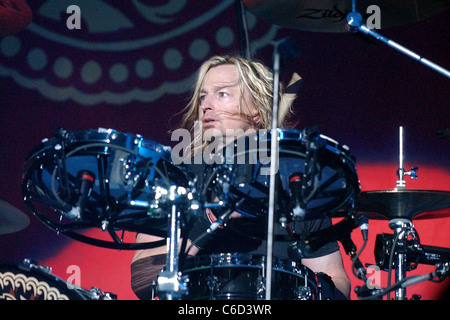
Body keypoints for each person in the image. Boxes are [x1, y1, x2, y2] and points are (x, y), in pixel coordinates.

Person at [131, 55, 351, 300]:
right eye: (203, 96)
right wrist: (214, 217)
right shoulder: (174, 173)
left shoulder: (294, 183)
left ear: (256, 110)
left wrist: (310, 291)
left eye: (221, 94)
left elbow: (336, 279)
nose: (206, 105)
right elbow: (143, 279)